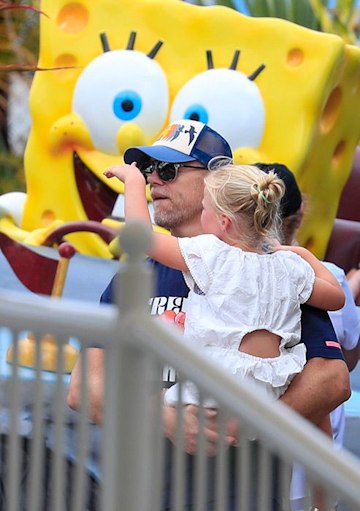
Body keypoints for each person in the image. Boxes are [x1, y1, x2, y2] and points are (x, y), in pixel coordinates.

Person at [67, 120, 350, 509]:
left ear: (215, 181)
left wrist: (250, 424)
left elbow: (332, 380)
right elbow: (84, 389)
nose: (152, 181)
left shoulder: (270, 273)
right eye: (148, 171)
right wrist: (161, 417)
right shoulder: (133, 277)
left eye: (168, 170)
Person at [103, 159, 345, 405]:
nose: (202, 213)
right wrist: (302, 254)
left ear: (223, 222)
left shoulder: (213, 255)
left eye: (205, 208)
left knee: (150, 404)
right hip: (269, 392)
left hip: (213, 386)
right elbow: (336, 297)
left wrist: (133, 182)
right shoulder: (290, 267)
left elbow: (142, 237)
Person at [256, 162, 360, 511]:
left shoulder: (220, 274)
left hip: (252, 465)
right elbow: (344, 358)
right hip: (305, 467)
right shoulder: (321, 276)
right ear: (299, 215)